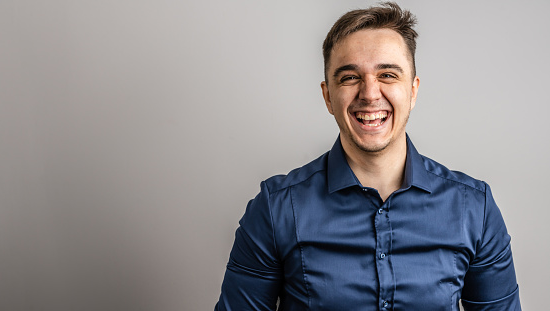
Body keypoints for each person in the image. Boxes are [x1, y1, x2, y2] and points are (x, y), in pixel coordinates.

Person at [215, 2, 521, 310]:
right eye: (349, 77)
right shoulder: (276, 207)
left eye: (387, 74)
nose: (370, 93)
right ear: (328, 96)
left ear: (413, 91)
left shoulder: (474, 207)